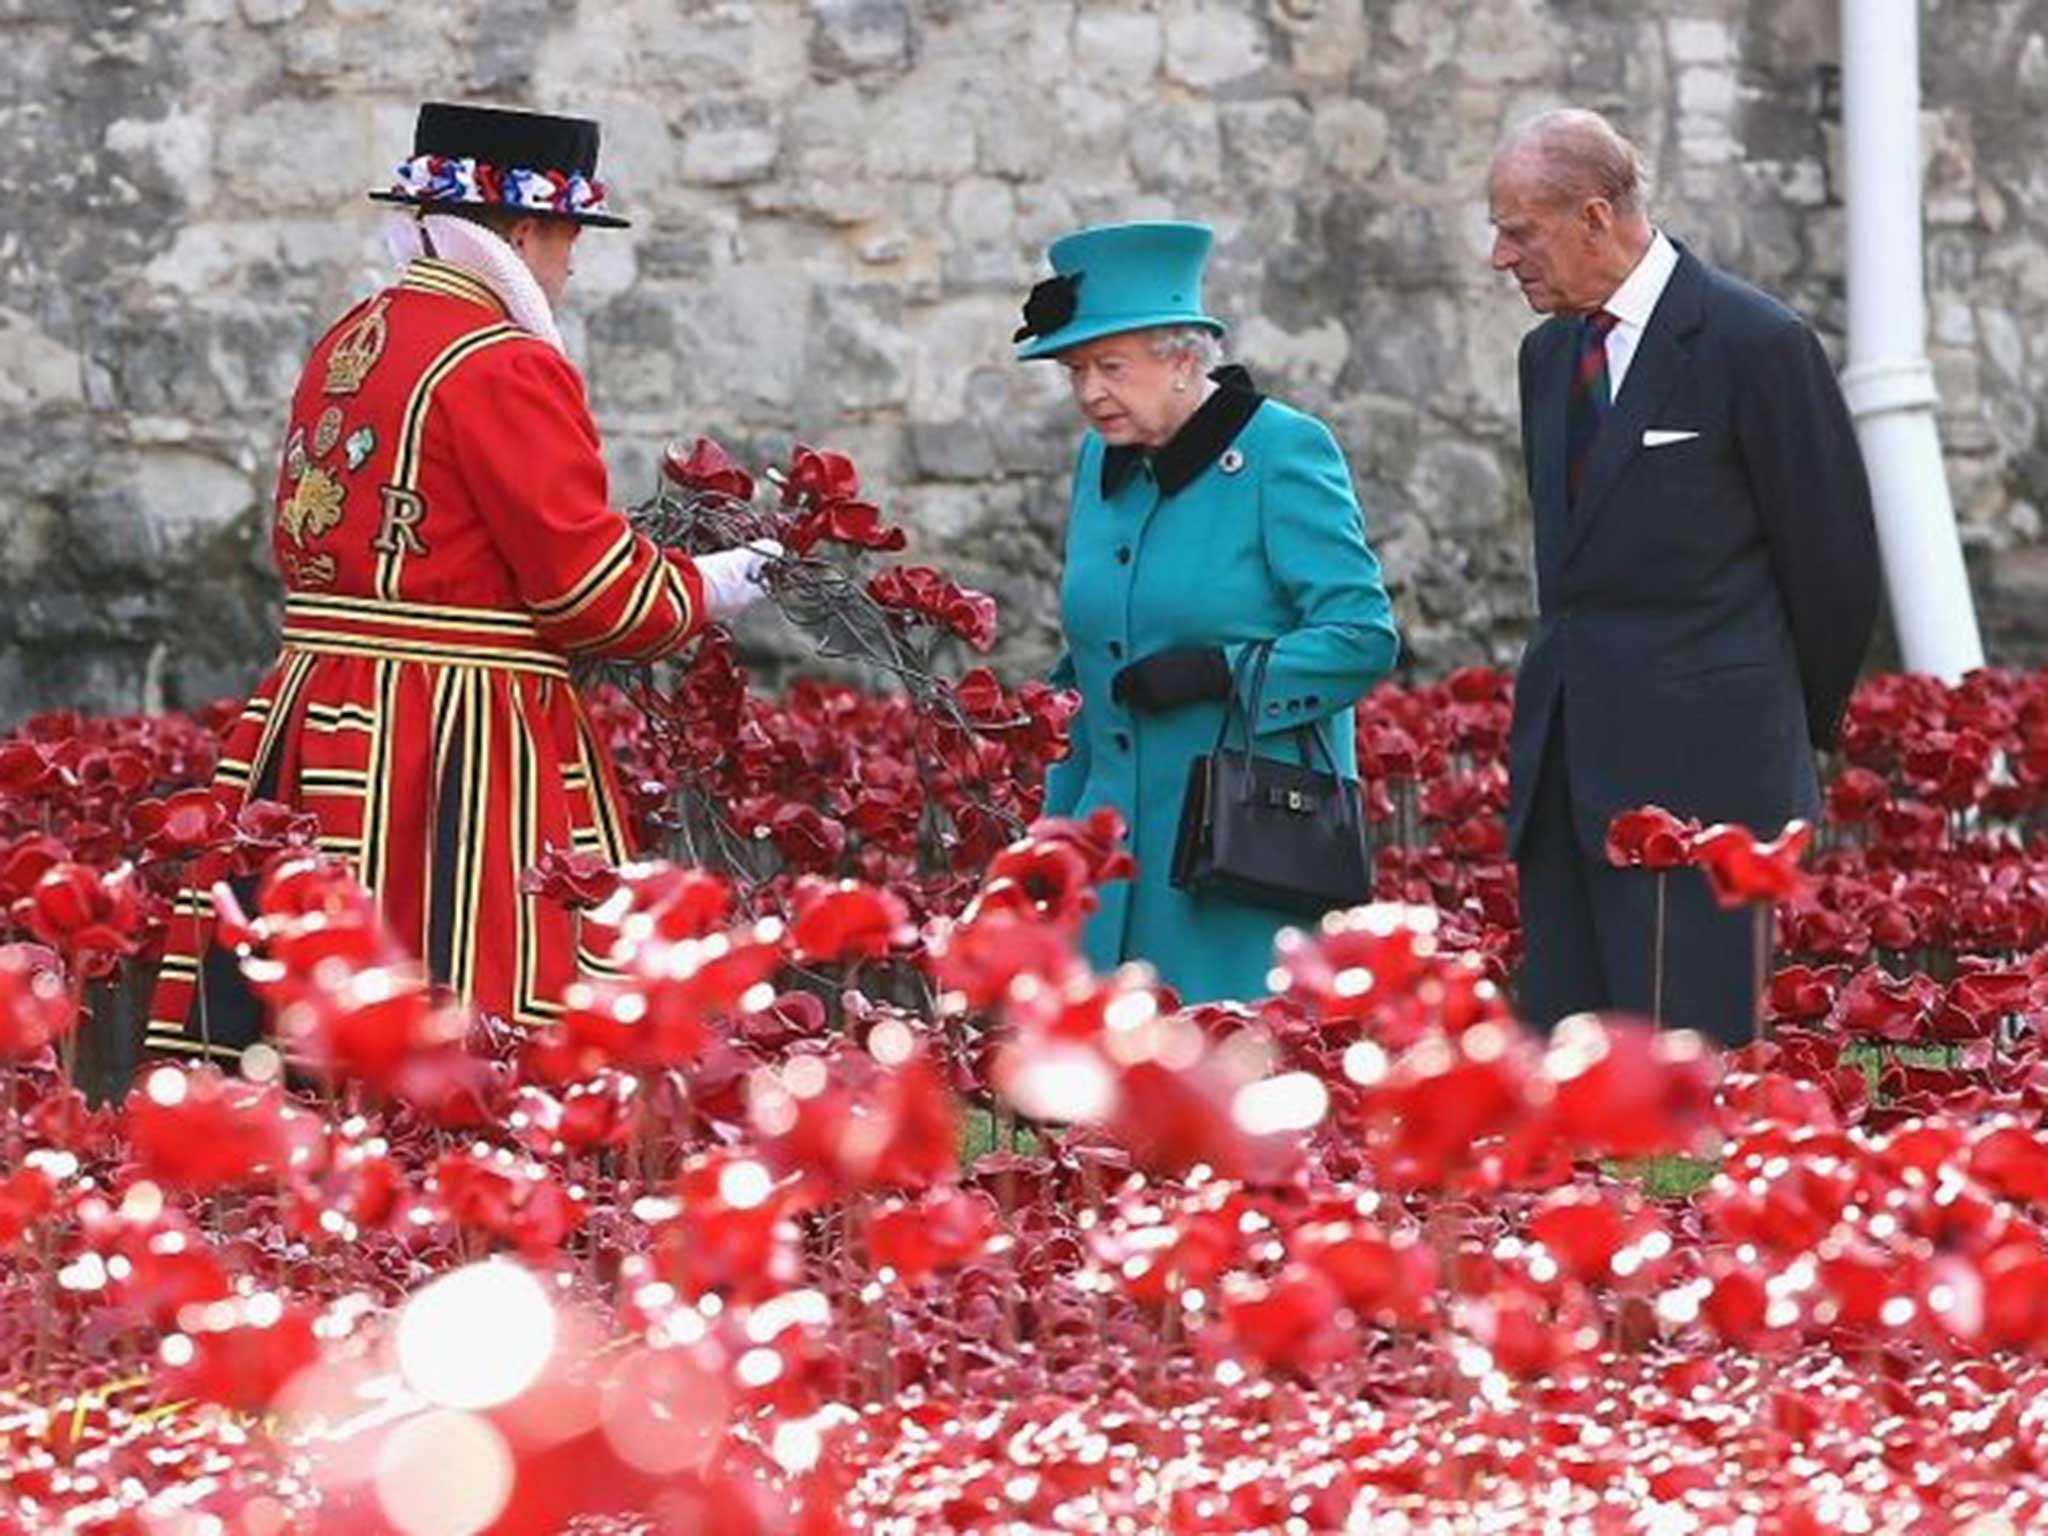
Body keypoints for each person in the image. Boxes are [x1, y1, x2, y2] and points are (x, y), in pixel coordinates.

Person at [147, 102, 775, 1059]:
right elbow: (588, 590)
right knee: (471, 993)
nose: (570, 268)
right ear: (525, 231)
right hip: (455, 732)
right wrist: (708, 585)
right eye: (569, 239)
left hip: (317, 710)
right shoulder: (505, 364)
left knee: (306, 999)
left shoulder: (353, 338)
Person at [1487, 108, 1880, 1045]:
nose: (1499, 257)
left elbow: (1837, 570)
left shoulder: (1757, 342)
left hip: (1708, 773)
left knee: (1692, 1083)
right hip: (1566, 760)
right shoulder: (1546, 357)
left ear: (1594, 217)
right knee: (1572, 1076)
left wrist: (1779, 732)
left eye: (1518, 230)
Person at [1018, 221, 1400, 1003]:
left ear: (1185, 359)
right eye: (1076, 369)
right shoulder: (1101, 459)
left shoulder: (1283, 452)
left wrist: (1221, 674)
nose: (1090, 392)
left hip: (1235, 849)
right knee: (1097, 1100)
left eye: (1111, 366)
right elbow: (1100, 640)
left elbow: (1363, 638)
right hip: (1107, 844)